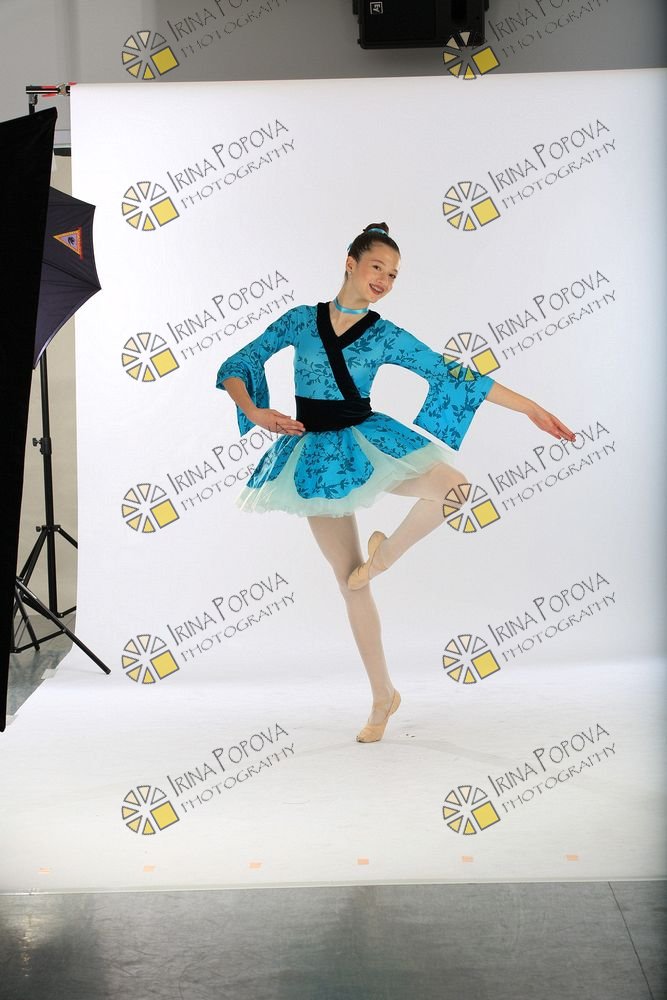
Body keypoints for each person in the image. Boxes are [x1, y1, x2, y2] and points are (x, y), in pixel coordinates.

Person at [216, 224, 575, 744]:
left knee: (453, 488)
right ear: (351, 263)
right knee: (349, 582)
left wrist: (530, 409)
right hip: (313, 454)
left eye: (393, 274)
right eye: (377, 267)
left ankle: (383, 557)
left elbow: (453, 374)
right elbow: (239, 363)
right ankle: (383, 696)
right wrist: (255, 411)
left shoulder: (385, 335)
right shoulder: (299, 320)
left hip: (369, 439)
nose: (384, 279)